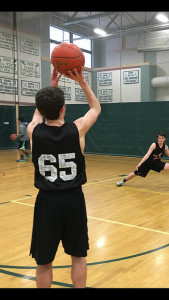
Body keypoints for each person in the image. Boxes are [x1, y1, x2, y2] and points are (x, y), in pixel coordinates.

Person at [27, 67, 101, 288]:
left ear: (40, 109)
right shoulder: (77, 129)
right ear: (63, 108)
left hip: (47, 202)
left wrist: (52, 87)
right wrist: (82, 82)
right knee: (78, 257)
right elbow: (95, 108)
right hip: (73, 200)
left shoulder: (33, 131)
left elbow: (38, 114)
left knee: (44, 263)